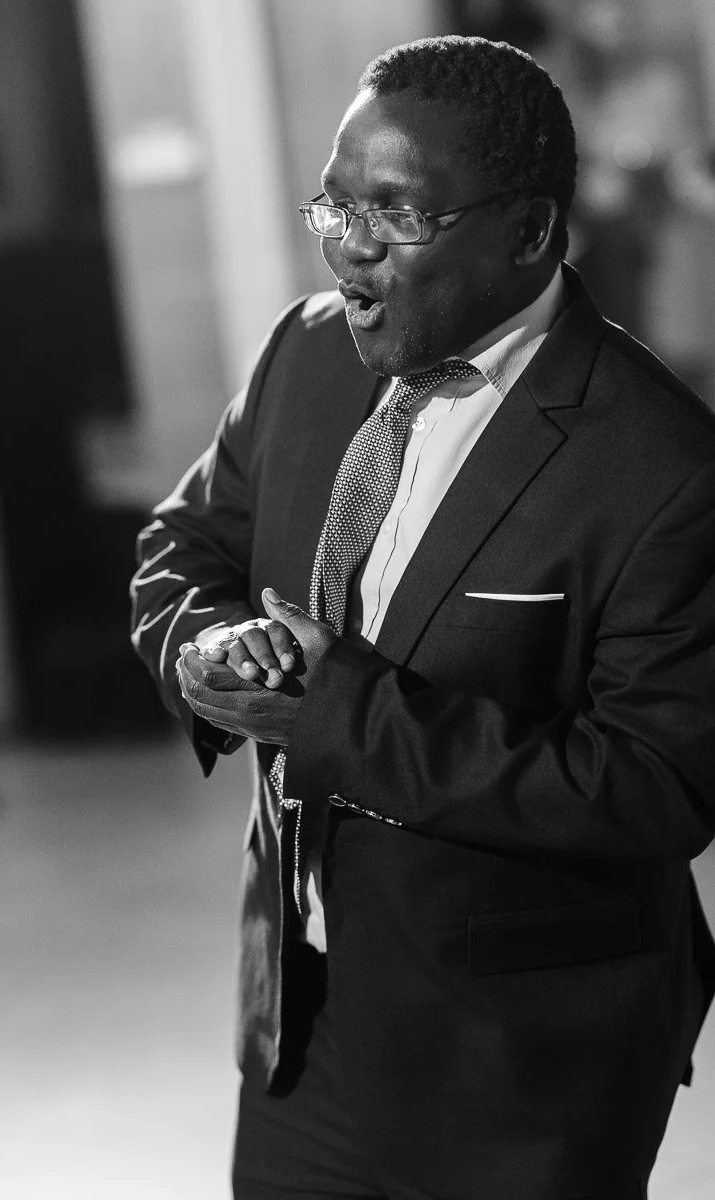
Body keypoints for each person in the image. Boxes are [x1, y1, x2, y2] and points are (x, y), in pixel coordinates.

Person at [130, 35, 715, 1200]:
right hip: (305, 1018)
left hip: (522, 1057)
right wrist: (201, 650)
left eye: (392, 215)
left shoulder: (660, 465)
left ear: (528, 232)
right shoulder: (304, 353)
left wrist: (328, 707)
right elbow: (183, 544)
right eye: (334, 204)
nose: (349, 246)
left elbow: (655, 786)